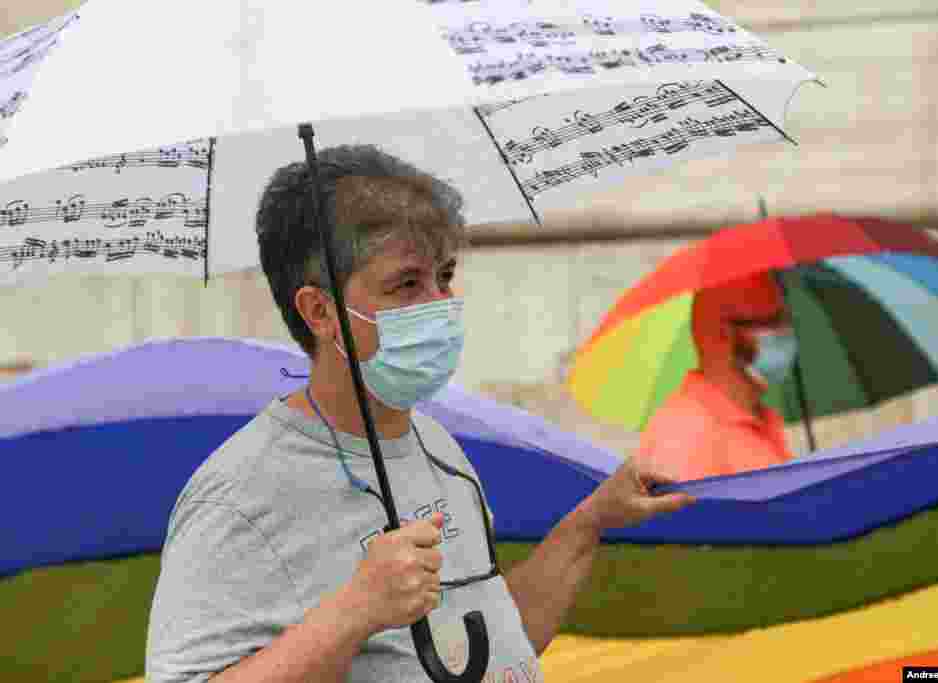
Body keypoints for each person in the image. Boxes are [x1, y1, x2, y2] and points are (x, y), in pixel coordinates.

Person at [145, 144, 694, 683]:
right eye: (407, 284)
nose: (440, 304)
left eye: (445, 276)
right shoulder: (239, 498)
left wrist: (591, 521)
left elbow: (491, 643)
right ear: (320, 311)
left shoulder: (436, 446)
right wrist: (354, 611)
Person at [636, 272, 797, 483]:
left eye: (785, 318)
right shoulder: (684, 435)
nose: (785, 332)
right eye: (770, 321)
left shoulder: (760, 418)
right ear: (723, 334)